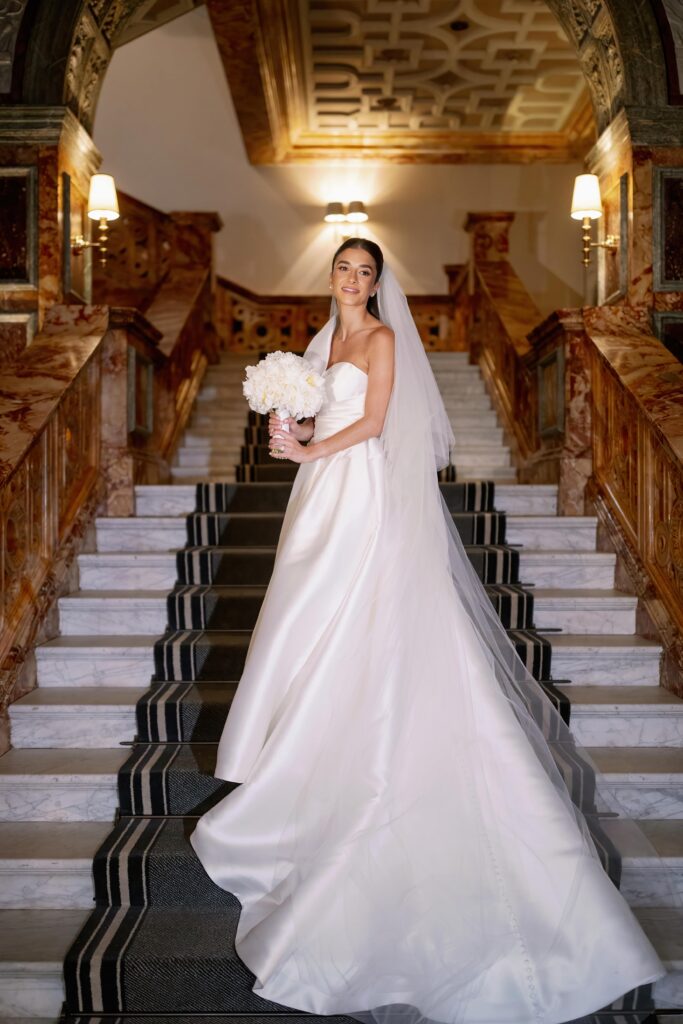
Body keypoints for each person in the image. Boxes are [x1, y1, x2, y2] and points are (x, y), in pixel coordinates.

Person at [190, 238, 666, 1024]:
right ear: (330, 277)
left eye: (365, 271)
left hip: (361, 494)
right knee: (304, 621)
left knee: (355, 617)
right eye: (343, 268)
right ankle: (311, 748)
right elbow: (319, 409)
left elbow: (374, 421)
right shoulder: (322, 340)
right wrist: (290, 432)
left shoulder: (377, 338)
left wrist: (312, 445)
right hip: (318, 496)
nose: (351, 280)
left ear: (378, 283)